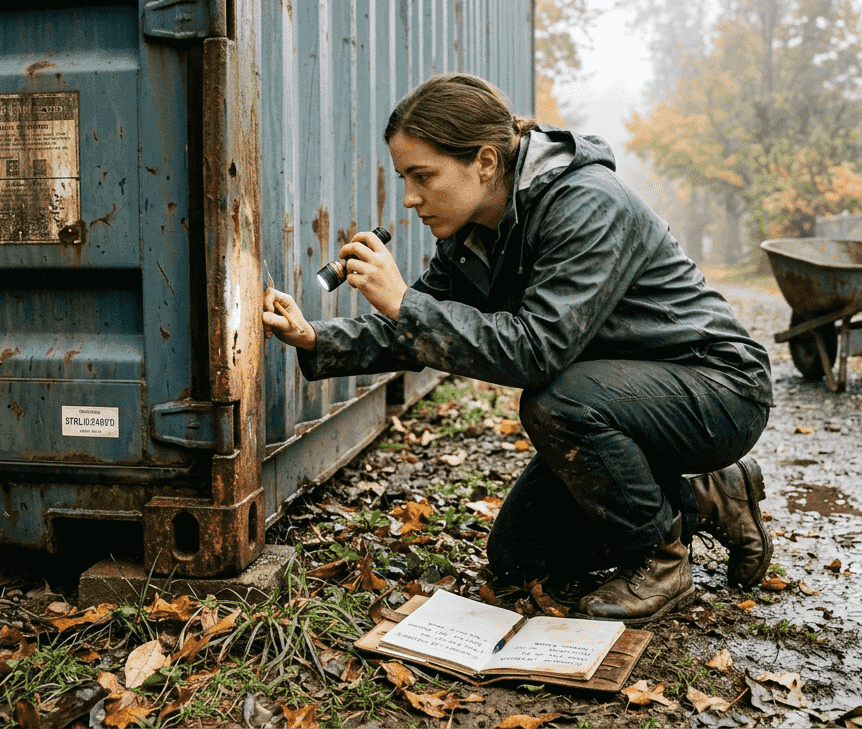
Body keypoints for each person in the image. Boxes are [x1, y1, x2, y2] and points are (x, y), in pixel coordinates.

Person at [262, 73, 774, 623]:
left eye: (422, 176)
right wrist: (317, 337)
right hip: (622, 394)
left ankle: (660, 560)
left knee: (557, 401)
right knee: (520, 557)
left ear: (484, 161)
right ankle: (709, 497)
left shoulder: (585, 203)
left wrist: (405, 302)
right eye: (404, 178)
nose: (409, 199)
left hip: (716, 385)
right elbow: (422, 330)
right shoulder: (473, 232)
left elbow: (537, 352)